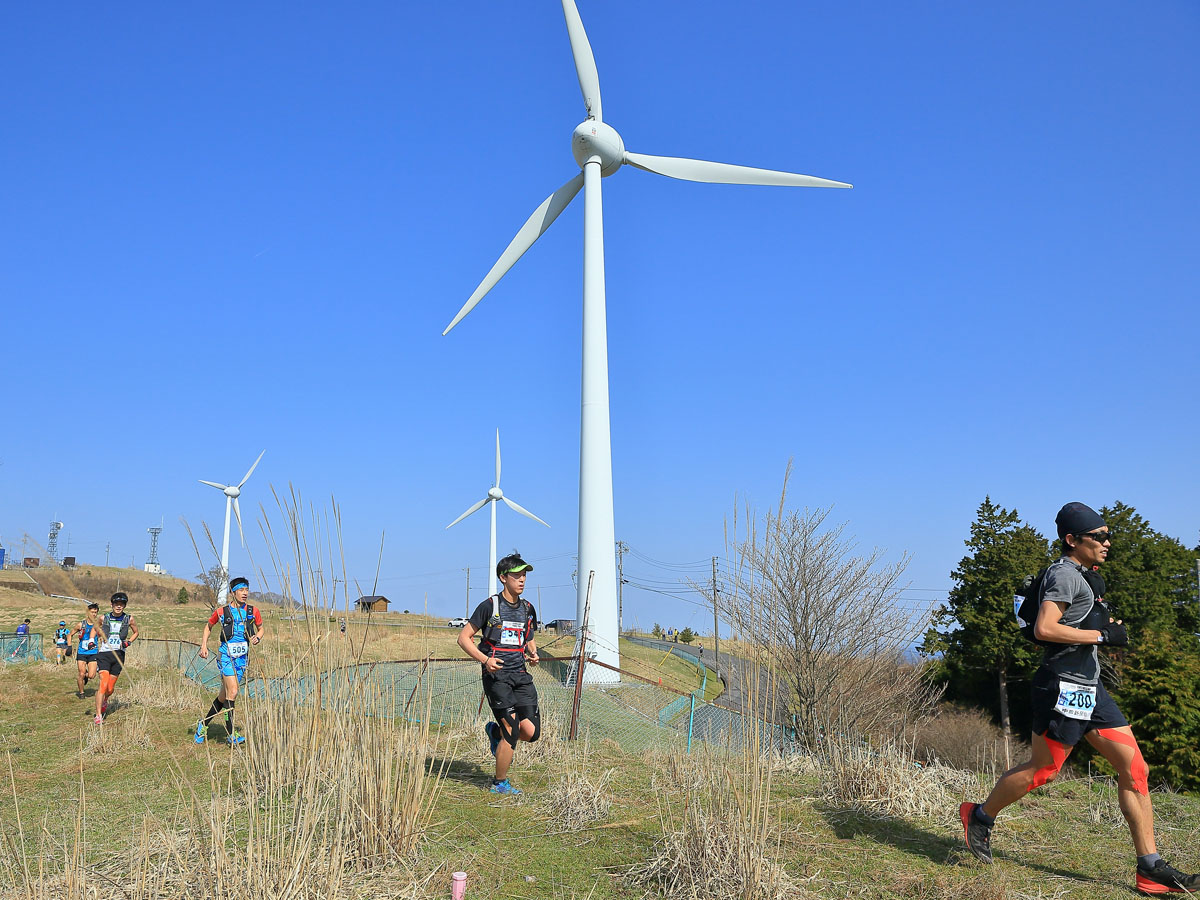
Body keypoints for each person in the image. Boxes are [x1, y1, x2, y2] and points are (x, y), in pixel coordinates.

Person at [959, 502, 1200, 894]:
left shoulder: (1086, 576)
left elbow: (1077, 624)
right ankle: (980, 817)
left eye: (1109, 535)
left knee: (1135, 769)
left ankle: (1150, 867)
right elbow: (1045, 627)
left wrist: (1105, 628)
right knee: (1044, 770)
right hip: (1062, 686)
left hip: (1091, 688)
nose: (1108, 543)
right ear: (1072, 540)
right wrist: (1102, 636)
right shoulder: (1063, 575)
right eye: (1099, 537)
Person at [457, 552, 541, 795]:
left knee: (531, 733)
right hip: (497, 677)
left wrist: (533, 654)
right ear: (503, 578)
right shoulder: (490, 606)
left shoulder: (528, 608)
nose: (522, 580)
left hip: (521, 676)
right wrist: (485, 660)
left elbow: (529, 638)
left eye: (524, 575)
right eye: (517, 575)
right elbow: (463, 639)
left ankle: (494, 732)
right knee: (512, 732)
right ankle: (499, 783)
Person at [194, 576, 264, 745]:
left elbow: (261, 629)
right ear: (233, 592)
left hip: (242, 659)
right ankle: (231, 734)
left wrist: (257, 637)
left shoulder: (252, 611)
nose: (245, 593)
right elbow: (208, 626)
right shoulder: (221, 612)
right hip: (226, 657)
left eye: (246, 590)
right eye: (241, 590)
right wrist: (204, 645)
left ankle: (203, 725)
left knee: (223, 697)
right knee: (233, 692)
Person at [94, 592, 139, 725]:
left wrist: (128, 642)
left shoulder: (129, 619)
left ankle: (106, 699)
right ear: (111, 604)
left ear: (124, 606)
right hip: (104, 654)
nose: (118, 607)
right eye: (116, 604)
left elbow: (136, 632)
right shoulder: (103, 617)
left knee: (110, 688)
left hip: (119, 655)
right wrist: (93, 639)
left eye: (121, 605)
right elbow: (95, 628)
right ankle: (98, 715)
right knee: (103, 684)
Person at [72, 603, 101, 698]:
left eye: (95, 612)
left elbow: (102, 636)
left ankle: (85, 677)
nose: (94, 614)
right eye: (92, 612)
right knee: (81, 673)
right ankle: (81, 693)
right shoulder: (81, 624)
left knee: (92, 675)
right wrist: (68, 646)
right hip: (82, 652)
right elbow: (70, 634)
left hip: (93, 652)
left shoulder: (98, 625)